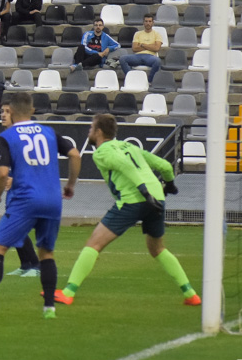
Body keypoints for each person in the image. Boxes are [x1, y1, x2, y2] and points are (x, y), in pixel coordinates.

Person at [54, 114, 198, 307]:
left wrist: (143, 191)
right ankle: (190, 294)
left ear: (98, 132)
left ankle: (68, 292)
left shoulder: (102, 152)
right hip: (157, 198)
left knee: (94, 244)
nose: (89, 132)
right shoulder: (129, 146)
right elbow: (163, 165)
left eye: (91, 128)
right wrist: (169, 184)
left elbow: (124, 165)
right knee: (157, 248)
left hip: (135, 199)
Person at [0, 92, 81, 320]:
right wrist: (70, 185)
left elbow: (2, 172)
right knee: (46, 253)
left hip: (26, 200)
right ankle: (49, 310)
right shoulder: (49, 132)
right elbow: (75, 155)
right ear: (32, 111)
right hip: (53, 200)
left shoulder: (7, 136)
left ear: (12, 112)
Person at [119, 14, 162, 81]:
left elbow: (157, 48)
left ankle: (149, 81)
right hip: (137, 56)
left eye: (150, 21)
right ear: (143, 22)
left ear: (153, 23)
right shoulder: (137, 34)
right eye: (146, 21)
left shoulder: (157, 34)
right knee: (122, 59)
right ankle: (131, 79)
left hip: (150, 57)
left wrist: (143, 45)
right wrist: (151, 46)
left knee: (158, 61)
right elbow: (134, 48)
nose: (148, 23)